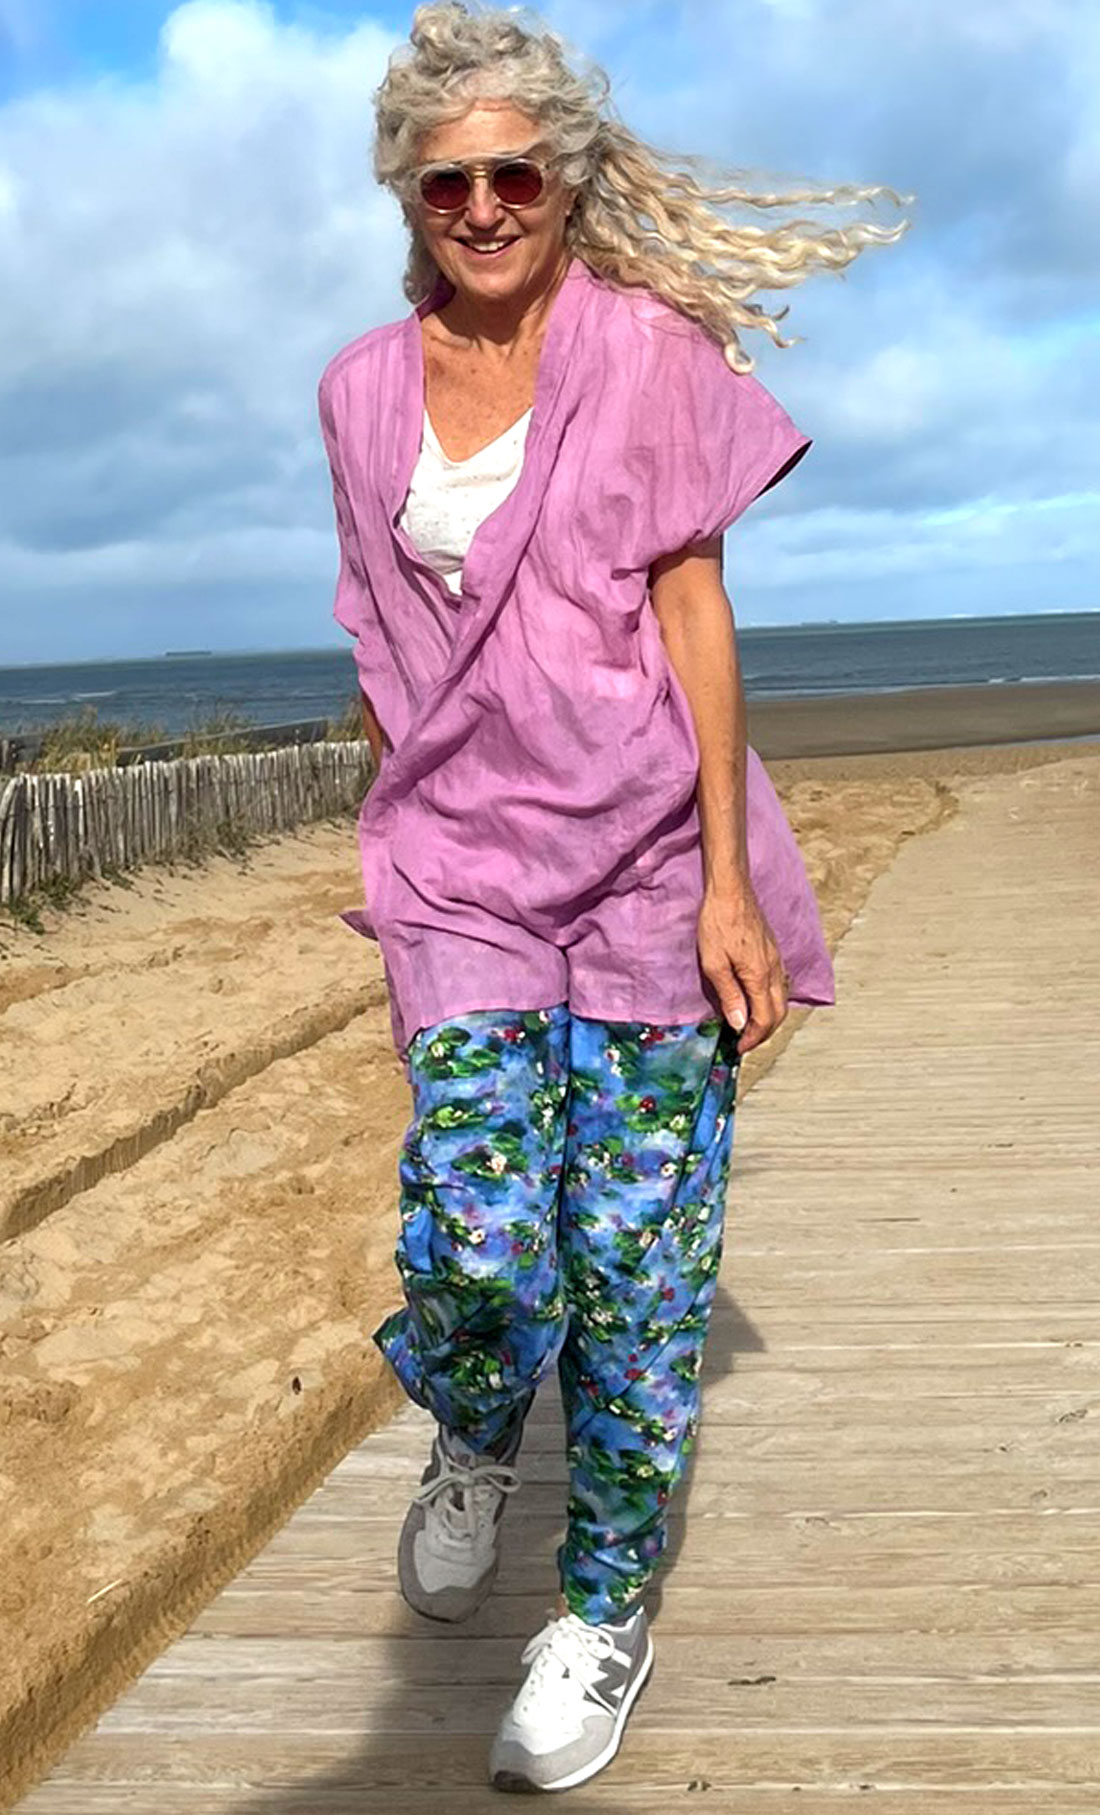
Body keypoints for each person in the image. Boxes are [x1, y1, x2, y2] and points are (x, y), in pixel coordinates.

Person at [317, 1, 909, 1793]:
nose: (484, 207)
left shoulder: (645, 353)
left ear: (564, 181)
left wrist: (731, 881)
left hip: (650, 864)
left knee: (640, 1278)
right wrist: (404, 834)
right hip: (463, 872)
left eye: (515, 174)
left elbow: (692, 614)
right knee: (481, 1239)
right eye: (449, 183)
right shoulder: (358, 391)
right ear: (409, 196)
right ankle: (477, 1419)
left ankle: (600, 1614)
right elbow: (379, 631)